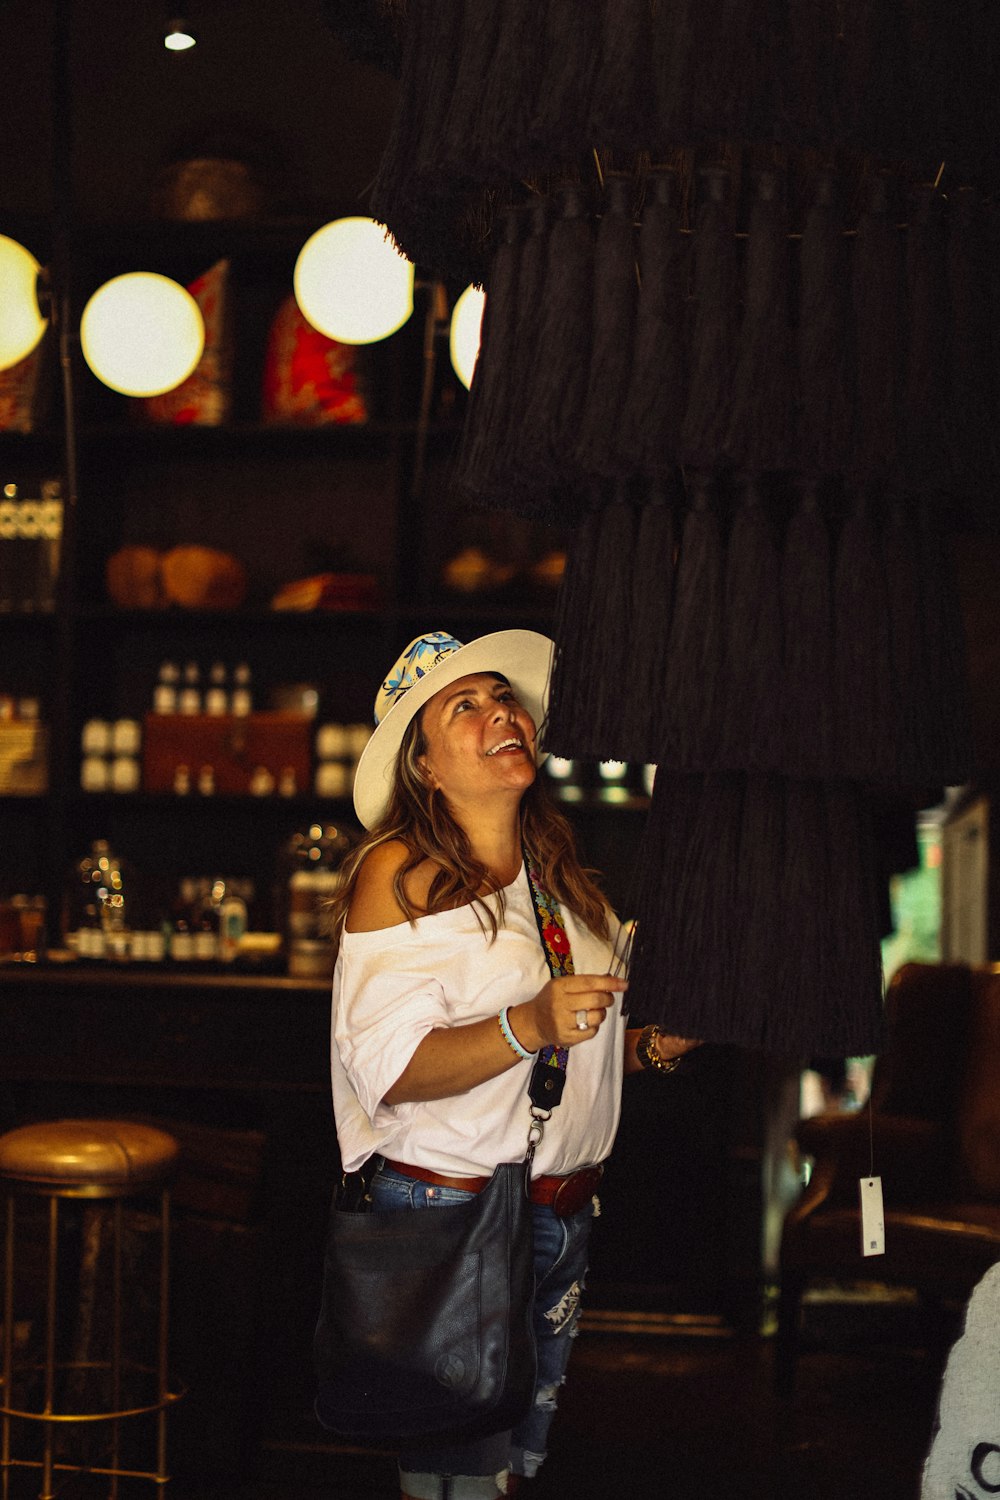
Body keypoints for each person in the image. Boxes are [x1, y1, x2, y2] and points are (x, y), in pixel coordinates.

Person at [328, 629, 699, 1500]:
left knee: (508, 1473)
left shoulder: (560, 879)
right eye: (466, 706)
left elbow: (568, 1051)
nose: (503, 714)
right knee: (454, 1477)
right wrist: (528, 1020)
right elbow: (388, 1068)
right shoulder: (399, 872)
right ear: (424, 766)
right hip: (451, 1212)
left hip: (560, 1216)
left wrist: (648, 1047)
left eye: (505, 699)